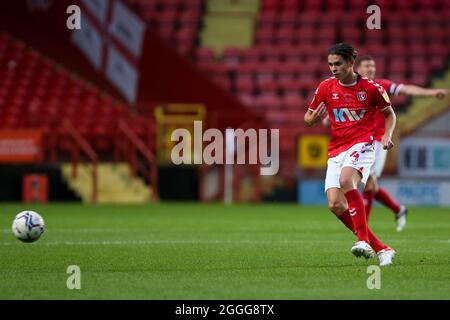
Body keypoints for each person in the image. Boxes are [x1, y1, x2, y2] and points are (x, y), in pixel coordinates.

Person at [304, 43, 397, 266]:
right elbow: (307, 118)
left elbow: (390, 114)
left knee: (347, 180)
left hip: (363, 143)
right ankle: (382, 248)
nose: (333, 68)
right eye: (330, 64)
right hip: (337, 148)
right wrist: (314, 120)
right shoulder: (326, 86)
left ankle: (363, 241)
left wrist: (386, 135)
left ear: (350, 63)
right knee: (335, 205)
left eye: (338, 64)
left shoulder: (372, 88)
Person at [355, 55, 450, 231]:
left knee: (367, 183)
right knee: (369, 184)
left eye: (373, 66)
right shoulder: (352, 89)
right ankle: (399, 210)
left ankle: (363, 231)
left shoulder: (380, 85)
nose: (371, 69)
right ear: (357, 69)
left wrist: (431, 92)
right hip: (359, 141)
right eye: (367, 66)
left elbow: (406, 90)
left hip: (377, 142)